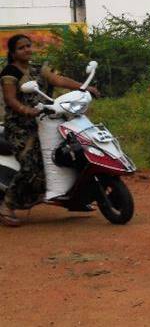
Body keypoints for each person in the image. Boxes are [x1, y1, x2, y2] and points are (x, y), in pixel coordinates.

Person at [0, 34, 99, 227]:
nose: (27, 50)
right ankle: (7, 205)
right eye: (21, 48)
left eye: (28, 46)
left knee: (70, 152)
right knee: (31, 165)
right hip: (21, 127)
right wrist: (27, 110)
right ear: (12, 52)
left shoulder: (38, 68)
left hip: (46, 121)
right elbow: (11, 100)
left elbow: (58, 80)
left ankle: (75, 198)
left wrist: (83, 88)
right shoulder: (9, 73)